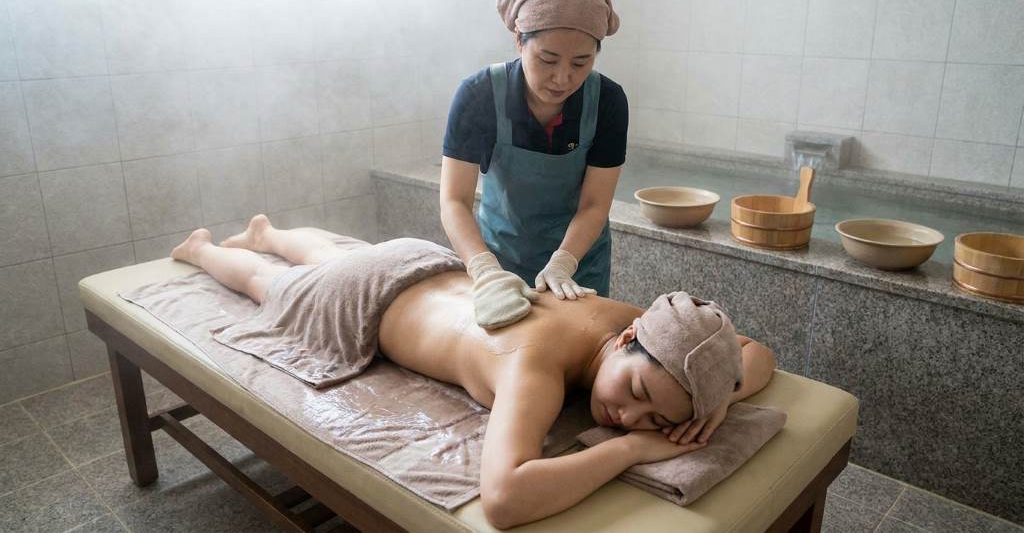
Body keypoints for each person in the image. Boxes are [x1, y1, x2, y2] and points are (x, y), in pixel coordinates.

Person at [170, 215, 777, 529]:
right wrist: (633, 450)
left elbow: (755, 351)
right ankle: (201, 249)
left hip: (417, 260)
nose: (629, 417)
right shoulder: (534, 366)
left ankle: (268, 231)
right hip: (362, 302)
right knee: (266, 282)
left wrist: (714, 398)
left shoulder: (646, 323)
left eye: (655, 418)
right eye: (637, 391)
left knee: (333, 254)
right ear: (625, 341)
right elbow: (506, 499)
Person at [440, 0, 629, 330]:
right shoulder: (479, 95)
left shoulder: (607, 101)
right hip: (500, 260)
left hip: (578, 265)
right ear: (519, 42)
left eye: (580, 63)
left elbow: (594, 204)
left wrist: (563, 263)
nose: (562, 78)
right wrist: (483, 271)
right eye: (547, 59)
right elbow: (454, 200)